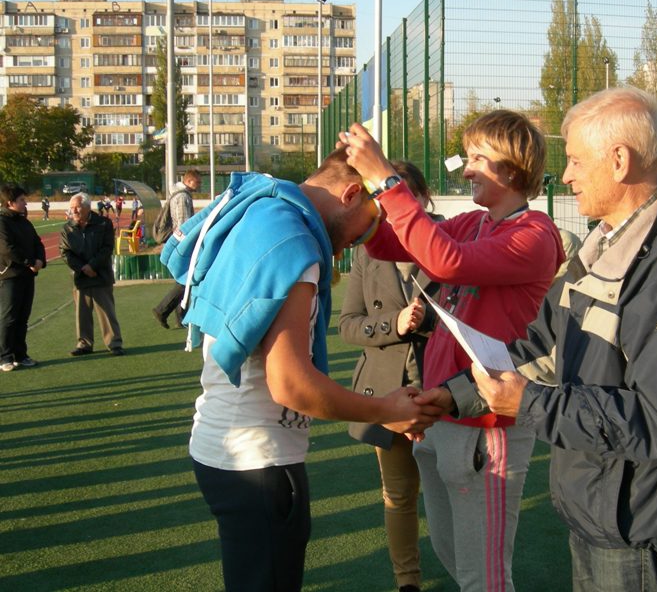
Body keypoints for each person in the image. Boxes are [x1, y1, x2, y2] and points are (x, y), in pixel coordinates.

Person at [423, 87, 657, 592]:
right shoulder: (602, 244)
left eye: (574, 160)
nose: (565, 176)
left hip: (636, 520)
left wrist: (528, 403)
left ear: (619, 161)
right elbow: (539, 346)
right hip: (594, 503)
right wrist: (450, 395)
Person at [160, 148, 446, 592]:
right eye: (373, 223)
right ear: (351, 193)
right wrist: (384, 409)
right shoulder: (294, 240)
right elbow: (290, 383)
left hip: (227, 446)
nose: (367, 240)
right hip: (259, 460)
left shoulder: (263, 210)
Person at [342, 110, 564, 592]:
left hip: (488, 424)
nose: (466, 170)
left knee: (483, 577)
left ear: (511, 169)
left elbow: (447, 261)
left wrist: (388, 179)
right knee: (452, 556)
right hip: (444, 415)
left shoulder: (534, 233)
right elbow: (389, 243)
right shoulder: (474, 223)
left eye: (478, 158)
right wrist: (355, 200)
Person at [338, 161, 442, 592]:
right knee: (399, 495)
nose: (393, 208)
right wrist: (393, 324)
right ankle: (408, 581)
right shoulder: (368, 251)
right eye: (382, 198)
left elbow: (475, 315)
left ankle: (469, 570)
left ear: (422, 198)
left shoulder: (449, 239)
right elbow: (347, 325)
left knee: (454, 490)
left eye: (404, 196)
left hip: (443, 389)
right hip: (388, 392)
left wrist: (427, 322)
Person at [60, 192, 125, 357]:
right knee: (82, 313)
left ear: (88, 207)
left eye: (77, 207)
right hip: (80, 276)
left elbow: (107, 248)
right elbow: (65, 252)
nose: (74, 211)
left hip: (100, 274)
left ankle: (114, 343)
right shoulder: (67, 228)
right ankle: (84, 343)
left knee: (107, 312)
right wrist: (82, 268)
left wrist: (92, 265)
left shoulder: (103, 223)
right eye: (72, 208)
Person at [0, 185, 46, 371]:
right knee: (9, 317)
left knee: (22, 317)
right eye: (21, 200)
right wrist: (29, 262)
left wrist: (40, 260)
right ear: (10, 203)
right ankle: (4, 357)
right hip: (10, 276)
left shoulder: (24, 222)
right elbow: (7, 249)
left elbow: (37, 243)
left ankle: (21, 355)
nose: (25, 203)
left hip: (27, 275)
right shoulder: (2, 222)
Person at [152, 169, 201, 329]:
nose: (200, 184)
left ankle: (179, 316)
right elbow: (184, 224)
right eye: (197, 181)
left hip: (179, 242)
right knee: (186, 279)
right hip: (183, 243)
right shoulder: (182, 197)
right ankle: (163, 310)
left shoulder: (179, 195)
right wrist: (189, 243)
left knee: (185, 279)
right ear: (189, 181)